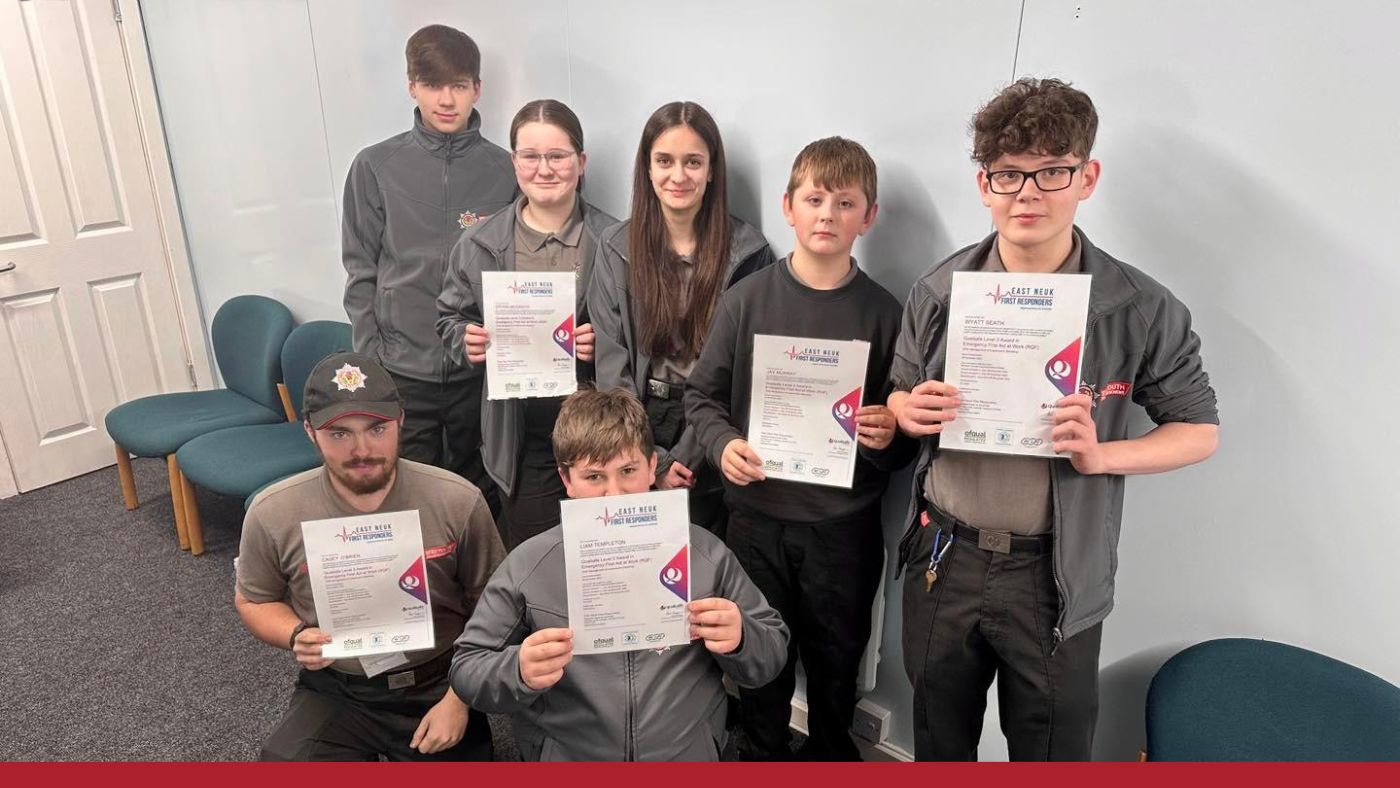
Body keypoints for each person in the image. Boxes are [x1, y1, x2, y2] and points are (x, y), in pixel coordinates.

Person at [888, 78, 1220, 761]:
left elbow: (1199, 430)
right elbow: (897, 395)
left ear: (1086, 176)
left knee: (1052, 752)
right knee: (938, 742)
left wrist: (1104, 456)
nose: (1028, 193)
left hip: (1053, 577)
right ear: (984, 184)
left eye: (1051, 171)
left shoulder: (1138, 307)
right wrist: (908, 409)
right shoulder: (939, 291)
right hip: (944, 557)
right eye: (1009, 174)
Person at [684, 137, 911, 760]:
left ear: (868, 216)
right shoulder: (746, 300)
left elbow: (905, 438)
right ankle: (761, 751)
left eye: (845, 202)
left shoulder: (886, 315)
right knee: (760, 662)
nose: (827, 215)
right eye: (814, 199)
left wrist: (890, 438)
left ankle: (832, 754)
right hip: (756, 521)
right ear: (789, 206)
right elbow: (701, 398)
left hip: (844, 529)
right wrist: (723, 442)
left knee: (837, 665)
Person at [449, 387, 789, 760]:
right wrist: (517, 669)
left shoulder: (705, 553)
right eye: (594, 477)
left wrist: (742, 637)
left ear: (650, 466)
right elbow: (467, 669)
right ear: (567, 481)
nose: (615, 495)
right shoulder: (530, 564)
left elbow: (771, 653)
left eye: (627, 471)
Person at [235, 351, 505, 761]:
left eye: (377, 428)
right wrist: (294, 634)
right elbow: (254, 599)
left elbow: (495, 610)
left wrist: (460, 698)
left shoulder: (457, 500)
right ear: (310, 431)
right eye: (339, 433)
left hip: (439, 681)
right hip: (340, 687)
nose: (362, 449)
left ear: (400, 420)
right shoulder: (274, 512)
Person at [342, 24, 515, 513]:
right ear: (411, 85)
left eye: (459, 85)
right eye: (433, 85)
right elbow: (360, 273)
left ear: (476, 89)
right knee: (404, 495)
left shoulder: (505, 170)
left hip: (477, 371)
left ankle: (476, 587)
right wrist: (374, 358)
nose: (446, 99)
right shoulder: (374, 166)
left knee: (477, 496)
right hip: (402, 369)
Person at [436, 99, 619, 551]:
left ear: (581, 161)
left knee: (604, 551)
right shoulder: (480, 242)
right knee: (537, 556)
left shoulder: (616, 240)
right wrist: (466, 339)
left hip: (598, 427)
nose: (544, 169)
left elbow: (642, 331)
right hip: (521, 434)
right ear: (514, 161)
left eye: (557, 156)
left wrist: (606, 342)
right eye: (530, 156)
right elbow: (448, 318)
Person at [589, 101, 776, 539]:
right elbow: (610, 365)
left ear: (712, 170)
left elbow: (745, 370)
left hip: (715, 427)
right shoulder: (614, 248)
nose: (679, 176)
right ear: (647, 169)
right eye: (664, 161)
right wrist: (650, 458)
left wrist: (688, 455)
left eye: (693, 162)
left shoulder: (750, 253)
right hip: (635, 424)